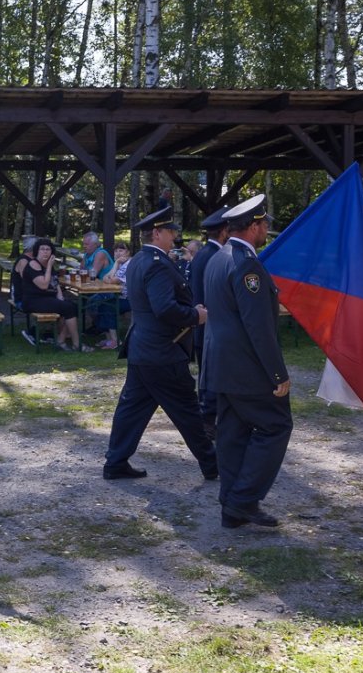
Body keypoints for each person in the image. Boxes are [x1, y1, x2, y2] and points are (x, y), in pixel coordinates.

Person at [102, 206, 217, 482]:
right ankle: (213, 465)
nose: (174, 236)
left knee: (131, 410)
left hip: (144, 349)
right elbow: (164, 308)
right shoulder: (156, 263)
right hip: (162, 352)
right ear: (156, 233)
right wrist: (196, 316)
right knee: (187, 410)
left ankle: (116, 462)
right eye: (170, 231)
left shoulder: (140, 260)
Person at [203, 194, 291, 530]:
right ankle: (243, 499)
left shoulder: (218, 257)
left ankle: (232, 507)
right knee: (275, 426)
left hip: (223, 364)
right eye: (264, 224)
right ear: (254, 226)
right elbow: (258, 326)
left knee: (233, 434)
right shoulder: (246, 265)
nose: (267, 229)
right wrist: (277, 373)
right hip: (247, 367)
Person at [188, 205, 231, 440]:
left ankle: (207, 419)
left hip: (203, 325)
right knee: (212, 376)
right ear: (224, 232)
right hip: (212, 325)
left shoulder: (203, 254)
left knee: (207, 376)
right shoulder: (216, 255)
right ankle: (207, 421)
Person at [13, 238, 82, 351]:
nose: (45, 252)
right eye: (42, 249)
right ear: (37, 251)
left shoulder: (47, 264)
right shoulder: (33, 264)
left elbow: (55, 282)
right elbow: (44, 285)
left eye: (48, 249)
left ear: (52, 252)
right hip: (33, 301)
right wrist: (49, 266)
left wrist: (60, 296)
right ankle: (77, 344)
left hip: (47, 298)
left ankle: (61, 340)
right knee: (68, 308)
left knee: (75, 307)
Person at [79, 231, 121, 350]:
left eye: (86, 244)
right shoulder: (87, 254)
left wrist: (84, 271)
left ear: (95, 244)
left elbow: (93, 273)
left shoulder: (100, 253)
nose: (84, 246)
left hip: (110, 289)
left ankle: (101, 329)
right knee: (86, 300)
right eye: (83, 244)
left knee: (94, 302)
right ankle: (101, 329)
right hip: (99, 288)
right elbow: (81, 270)